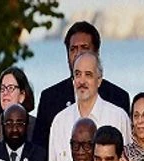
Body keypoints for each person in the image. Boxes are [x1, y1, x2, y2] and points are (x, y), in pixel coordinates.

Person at [34, 21, 130, 149]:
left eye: (84, 48)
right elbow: (40, 151)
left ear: (97, 52)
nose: (78, 53)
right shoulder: (50, 98)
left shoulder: (117, 97)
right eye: (73, 49)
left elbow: (125, 152)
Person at [48, 51, 131, 161]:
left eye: (88, 75)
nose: (82, 81)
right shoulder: (60, 121)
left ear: (99, 80)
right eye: (77, 74)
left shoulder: (118, 117)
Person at [0, 67, 36, 150]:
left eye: (10, 88)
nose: (5, 93)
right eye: (2, 89)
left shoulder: (37, 126)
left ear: (22, 95)